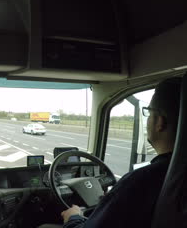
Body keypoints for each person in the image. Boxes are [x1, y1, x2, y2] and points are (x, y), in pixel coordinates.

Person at [45, 77, 181, 228]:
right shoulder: (172, 175)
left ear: (160, 122)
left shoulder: (141, 181)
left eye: (149, 114)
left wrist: (74, 217)